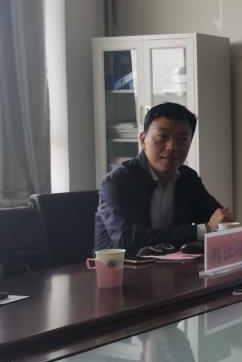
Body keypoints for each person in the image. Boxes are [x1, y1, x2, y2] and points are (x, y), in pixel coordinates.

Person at [94, 102, 232, 253]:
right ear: (143, 140)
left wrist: (223, 222)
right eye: (162, 137)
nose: (172, 146)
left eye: (182, 139)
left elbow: (218, 218)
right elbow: (128, 239)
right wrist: (203, 230)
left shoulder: (187, 178)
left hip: (172, 265)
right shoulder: (117, 181)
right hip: (122, 266)